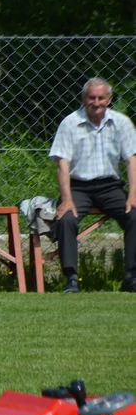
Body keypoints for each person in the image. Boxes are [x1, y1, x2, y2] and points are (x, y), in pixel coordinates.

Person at [48, 78, 136, 294]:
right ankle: (71, 278)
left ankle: (131, 277)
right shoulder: (69, 123)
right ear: (83, 99)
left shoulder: (122, 122)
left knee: (135, 214)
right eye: (91, 97)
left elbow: (132, 160)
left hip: (110, 186)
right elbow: (62, 164)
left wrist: (133, 195)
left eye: (101, 98)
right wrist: (67, 199)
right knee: (66, 218)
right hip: (78, 187)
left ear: (109, 99)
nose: (96, 102)